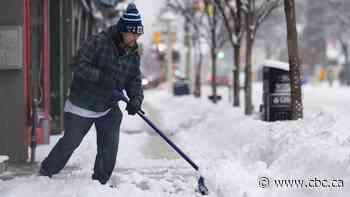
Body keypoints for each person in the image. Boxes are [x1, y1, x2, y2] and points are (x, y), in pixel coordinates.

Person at [39, 3, 144, 185]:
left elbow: (133, 79)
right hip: (83, 104)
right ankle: (46, 171)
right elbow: (78, 64)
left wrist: (136, 99)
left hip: (108, 105)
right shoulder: (98, 42)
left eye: (138, 34)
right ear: (123, 31)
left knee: (109, 146)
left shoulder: (133, 53)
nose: (136, 38)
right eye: (133, 34)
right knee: (70, 142)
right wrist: (101, 77)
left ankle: (100, 182)